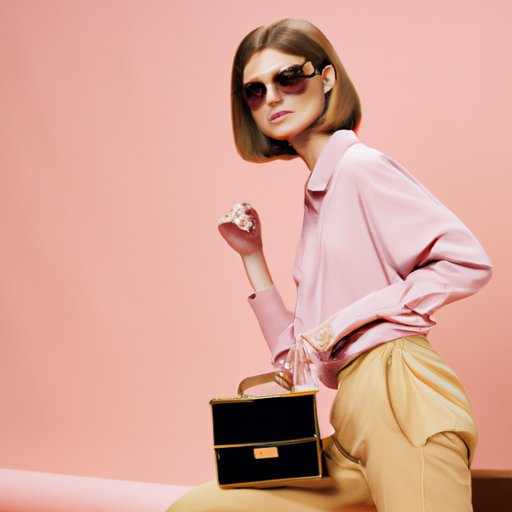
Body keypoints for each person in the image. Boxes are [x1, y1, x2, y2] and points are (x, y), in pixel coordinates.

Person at [168, 18, 493, 512]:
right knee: (198, 508)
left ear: (326, 78)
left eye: (288, 77)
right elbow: (299, 354)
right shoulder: (320, 195)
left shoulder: (360, 168)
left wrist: (342, 322)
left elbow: (467, 262)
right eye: (255, 90)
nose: (272, 97)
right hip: (352, 423)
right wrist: (252, 256)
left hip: (402, 398)